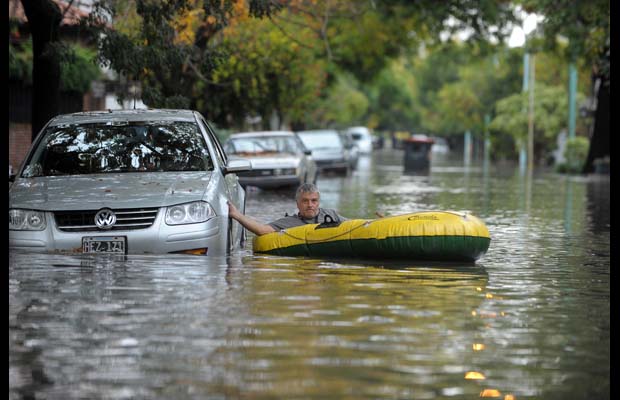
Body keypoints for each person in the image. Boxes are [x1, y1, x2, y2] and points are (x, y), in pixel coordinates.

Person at [228, 183, 348, 236]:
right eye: (305, 201)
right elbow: (262, 230)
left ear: (318, 202)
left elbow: (354, 225)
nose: (310, 205)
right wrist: (236, 215)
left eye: (314, 200)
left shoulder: (330, 214)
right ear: (297, 204)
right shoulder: (289, 222)